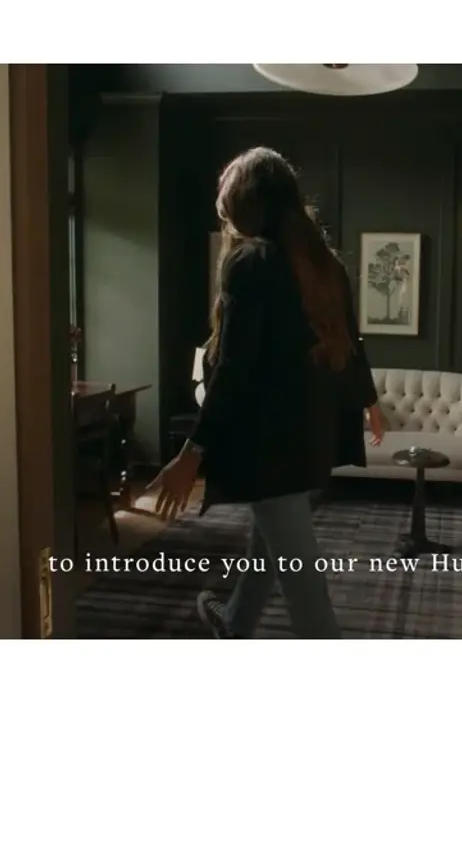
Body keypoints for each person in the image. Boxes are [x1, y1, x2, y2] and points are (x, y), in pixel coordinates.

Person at [142, 147, 385, 639]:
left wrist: (191, 454)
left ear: (247, 203)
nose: (220, 204)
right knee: (270, 542)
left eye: (226, 195)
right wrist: (370, 402)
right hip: (313, 436)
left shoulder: (250, 262)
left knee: (303, 581)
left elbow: (234, 369)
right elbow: (351, 342)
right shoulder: (324, 263)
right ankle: (235, 622)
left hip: (269, 447)